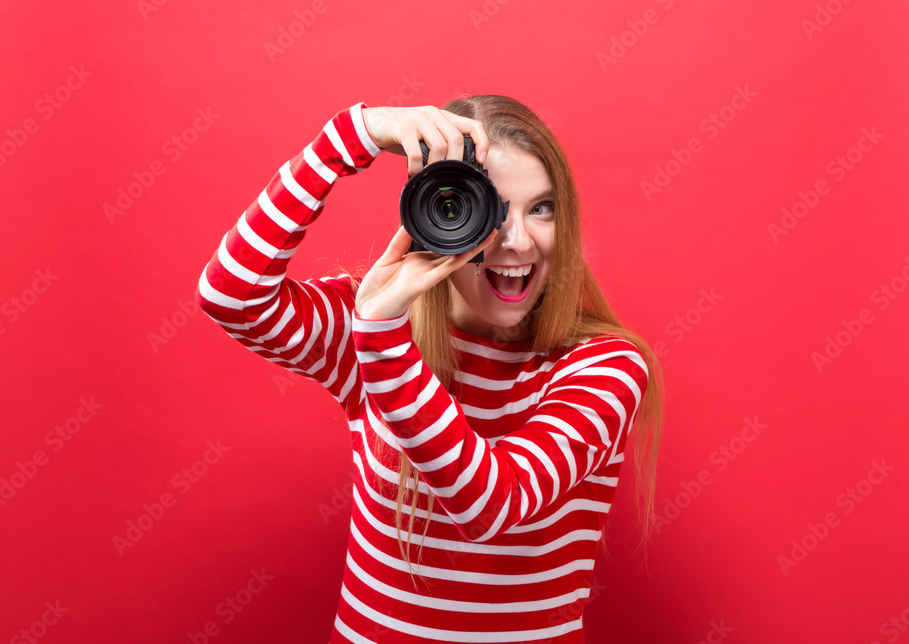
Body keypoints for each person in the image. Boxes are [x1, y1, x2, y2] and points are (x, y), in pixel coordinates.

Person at [194, 96, 664, 643]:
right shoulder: (372, 324)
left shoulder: (605, 366)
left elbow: (491, 504)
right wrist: (351, 135)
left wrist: (383, 338)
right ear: (440, 215)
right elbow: (231, 296)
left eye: (542, 208)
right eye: (491, 208)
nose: (516, 240)